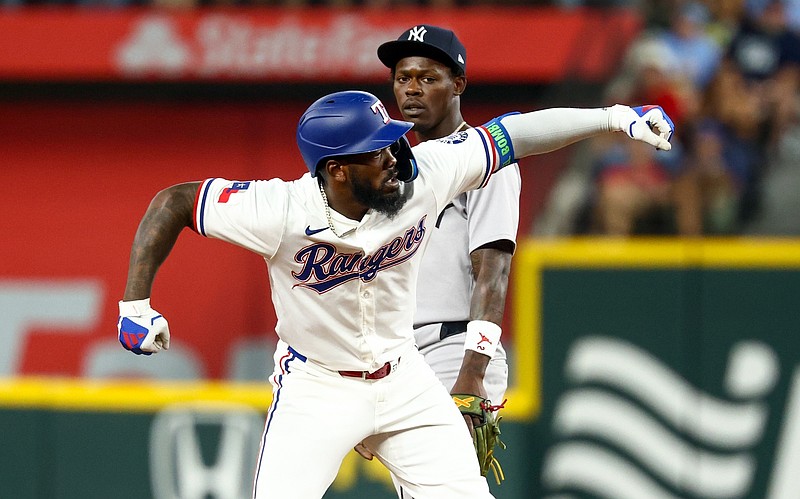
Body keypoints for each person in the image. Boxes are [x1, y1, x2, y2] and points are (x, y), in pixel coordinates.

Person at [116, 89, 673, 498]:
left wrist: (617, 118)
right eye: (376, 151)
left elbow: (515, 133)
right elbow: (173, 203)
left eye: (391, 142)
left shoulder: (425, 172)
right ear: (336, 170)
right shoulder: (279, 209)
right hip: (317, 387)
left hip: (405, 378)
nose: (394, 156)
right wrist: (134, 307)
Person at [352, 24, 520, 489]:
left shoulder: (488, 160)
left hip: (455, 351)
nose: (411, 88)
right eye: (403, 78)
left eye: (428, 78)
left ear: (458, 85)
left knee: (448, 488)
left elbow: (493, 270)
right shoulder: (395, 171)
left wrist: (472, 373)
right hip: (396, 355)